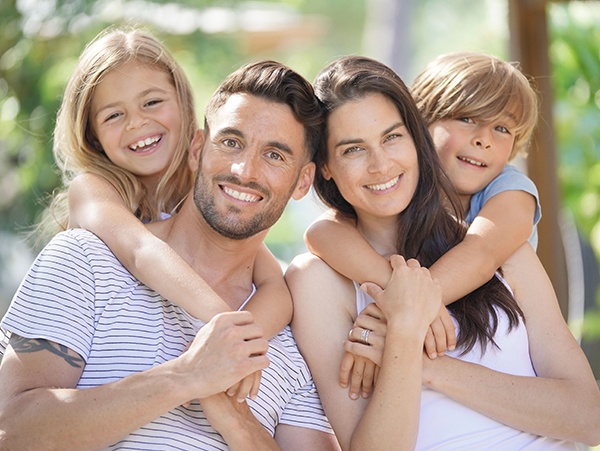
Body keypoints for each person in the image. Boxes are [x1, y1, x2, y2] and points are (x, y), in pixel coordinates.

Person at [0, 60, 340, 450]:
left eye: (275, 156)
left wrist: (232, 415)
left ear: (303, 182)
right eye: (231, 142)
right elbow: (13, 430)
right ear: (197, 149)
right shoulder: (86, 259)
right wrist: (185, 376)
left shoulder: (296, 330)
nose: (245, 170)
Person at [285, 55, 600, 450]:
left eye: (392, 137)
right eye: (353, 149)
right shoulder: (318, 280)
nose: (381, 164)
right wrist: (407, 318)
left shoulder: (501, 243)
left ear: (415, 138)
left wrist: (424, 360)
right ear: (325, 166)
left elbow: (589, 419)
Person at [36, 27, 295, 399]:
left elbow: (274, 286)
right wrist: (226, 329)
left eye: (152, 102)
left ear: (182, 103)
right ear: (92, 136)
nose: (137, 123)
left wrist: (244, 346)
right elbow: (142, 252)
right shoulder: (93, 191)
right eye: (113, 115)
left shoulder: (210, 188)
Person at [303, 52, 541, 374]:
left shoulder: (510, 190)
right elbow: (322, 232)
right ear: (422, 122)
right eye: (468, 119)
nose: (483, 139)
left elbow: (482, 253)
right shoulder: (400, 189)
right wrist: (401, 301)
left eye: (501, 128)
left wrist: (404, 311)